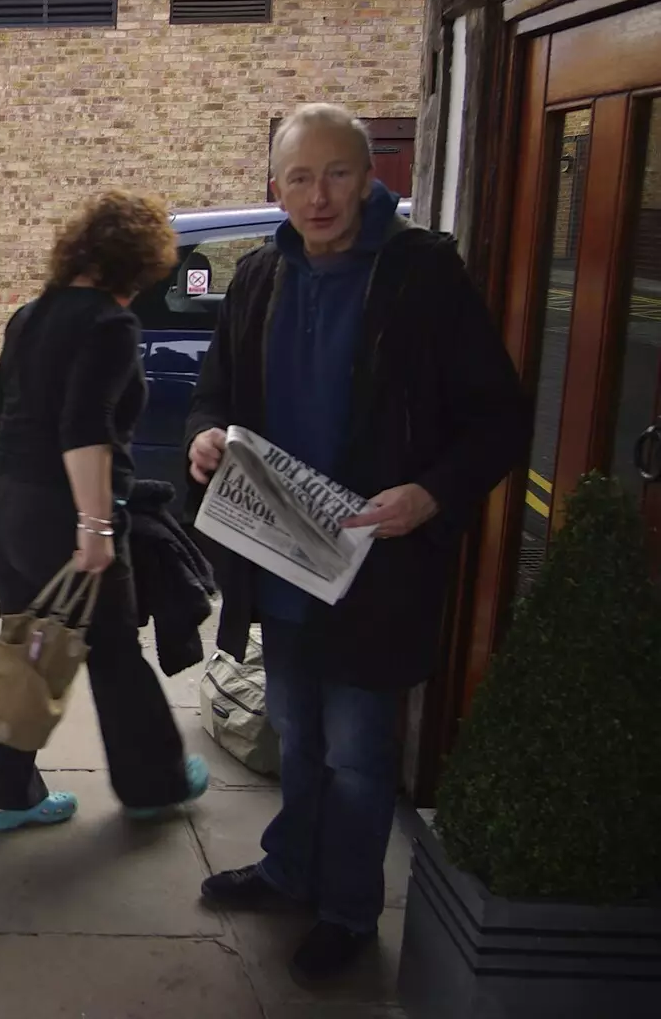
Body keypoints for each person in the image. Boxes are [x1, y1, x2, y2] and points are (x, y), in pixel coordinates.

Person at [185, 103, 531, 981]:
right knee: (297, 740)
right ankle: (289, 868)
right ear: (276, 189)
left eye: (337, 173)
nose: (319, 195)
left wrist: (432, 493)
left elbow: (497, 418)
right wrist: (206, 435)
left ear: (372, 176)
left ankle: (346, 909)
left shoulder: (422, 277)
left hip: (378, 570)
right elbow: (216, 390)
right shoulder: (260, 276)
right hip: (283, 565)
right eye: (299, 178)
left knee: (357, 758)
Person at [0, 190, 210, 831]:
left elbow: (1, 404)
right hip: (60, 516)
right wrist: (96, 525)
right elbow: (85, 429)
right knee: (112, 649)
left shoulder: (32, 314)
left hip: (0, 507)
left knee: (32, 645)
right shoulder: (108, 323)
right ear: (133, 265)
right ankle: (155, 782)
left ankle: (7, 796)